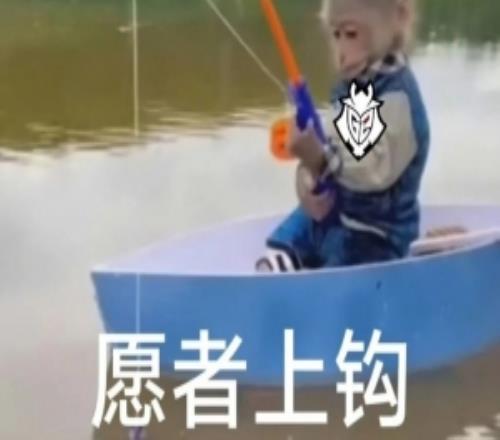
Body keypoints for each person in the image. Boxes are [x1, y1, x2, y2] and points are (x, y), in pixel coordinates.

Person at [257, 0, 430, 272]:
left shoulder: (398, 98)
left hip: (379, 236)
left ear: (397, 19)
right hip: (340, 216)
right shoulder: (350, 87)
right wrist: (308, 177)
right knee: (293, 231)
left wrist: (318, 159)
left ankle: (317, 282)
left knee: (346, 261)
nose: (340, 51)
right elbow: (333, 142)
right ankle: (279, 264)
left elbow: (371, 172)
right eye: (336, 35)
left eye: (351, 34)